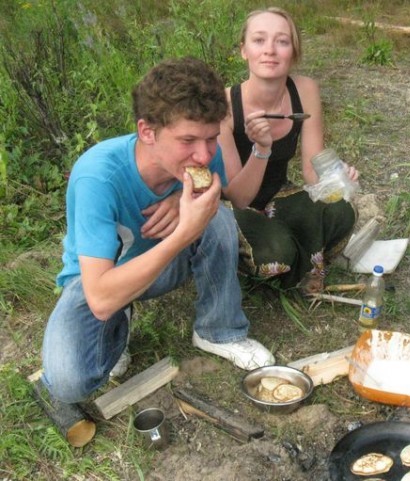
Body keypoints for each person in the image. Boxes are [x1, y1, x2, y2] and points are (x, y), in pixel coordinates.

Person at [41, 57, 275, 404]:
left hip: (162, 265)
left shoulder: (202, 154)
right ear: (147, 132)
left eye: (212, 139)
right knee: (67, 384)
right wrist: (183, 231)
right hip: (101, 282)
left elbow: (229, 197)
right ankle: (119, 325)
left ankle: (219, 329)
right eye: (188, 140)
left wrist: (182, 195)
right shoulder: (97, 177)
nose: (203, 154)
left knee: (218, 217)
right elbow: (100, 297)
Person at [218, 7, 359, 292]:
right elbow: (237, 197)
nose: (270, 50)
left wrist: (336, 177)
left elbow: (310, 169)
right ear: (243, 49)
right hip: (231, 208)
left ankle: (288, 245)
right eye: (259, 40)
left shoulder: (305, 90)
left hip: (278, 195)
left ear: (293, 52)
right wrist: (261, 149)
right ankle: (277, 252)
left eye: (281, 41)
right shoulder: (224, 105)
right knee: (277, 254)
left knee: (341, 210)